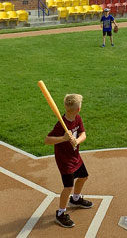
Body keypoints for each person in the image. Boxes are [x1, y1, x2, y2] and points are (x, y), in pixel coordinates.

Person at [44, 93, 93, 228]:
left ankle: (76, 199)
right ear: (78, 108)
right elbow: (47, 140)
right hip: (64, 160)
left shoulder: (77, 118)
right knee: (68, 187)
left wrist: (76, 141)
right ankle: (60, 213)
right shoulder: (61, 124)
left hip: (75, 156)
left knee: (84, 176)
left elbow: (83, 134)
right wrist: (63, 138)